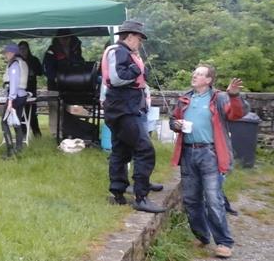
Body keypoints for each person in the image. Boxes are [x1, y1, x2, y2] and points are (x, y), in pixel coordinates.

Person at [169, 64, 248, 259]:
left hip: (210, 154)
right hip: (188, 154)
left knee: (213, 200)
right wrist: (175, 124)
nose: (194, 76)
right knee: (191, 200)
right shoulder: (185, 98)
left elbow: (237, 114)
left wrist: (235, 96)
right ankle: (203, 236)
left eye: (199, 74)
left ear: (209, 80)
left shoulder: (219, 98)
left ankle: (224, 242)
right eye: (194, 73)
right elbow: (173, 119)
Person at [100, 20, 165, 214]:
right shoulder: (118, 51)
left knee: (122, 150)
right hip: (123, 109)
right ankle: (141, 196)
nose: (140, 43)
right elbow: (117, 78)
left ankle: (118, 192)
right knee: (145, 150)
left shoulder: (124, 53)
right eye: (139, 38)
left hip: (121, 107)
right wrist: (137, 68)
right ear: (129, 36)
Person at [0, 44, 29, 158]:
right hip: (22, 96)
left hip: (15, 96)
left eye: (6, 53)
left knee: (4, 122)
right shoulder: (22, 62)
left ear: (12, 53)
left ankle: (10, 149)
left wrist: (10, 100)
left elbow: (14, 83)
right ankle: (19, 148)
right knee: (17, 122)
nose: (5, 55)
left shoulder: (14, 64)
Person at [18, 41, 43, 137]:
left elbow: (40, 72)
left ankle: (36, 133)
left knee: (32, 112)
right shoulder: (17, 61)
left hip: (31, 89)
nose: (22, 51)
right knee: (21, 112)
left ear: (28, 49)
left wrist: (33, 71)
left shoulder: (34, 60)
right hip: (20, 89)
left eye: (24, 49)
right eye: (20, 49)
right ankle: (23, 133)